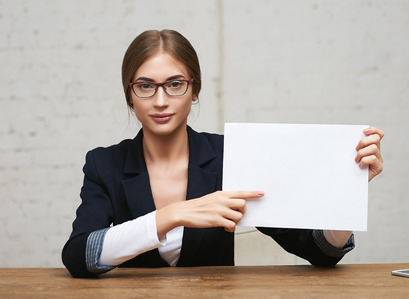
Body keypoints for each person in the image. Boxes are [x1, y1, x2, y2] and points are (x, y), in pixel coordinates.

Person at [62, 29, 384, 278]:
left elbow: (319, 251)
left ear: (195, 89)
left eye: (175, 84)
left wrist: (350, 186)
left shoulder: (231, 155)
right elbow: (78, 254)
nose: (160, 101)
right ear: (130, 94)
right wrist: (171, 215)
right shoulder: (104, 164)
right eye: (145, 86)